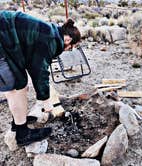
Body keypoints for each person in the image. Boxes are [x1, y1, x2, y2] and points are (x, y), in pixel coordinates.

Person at [0, 10, 81, 146]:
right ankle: (22, 134)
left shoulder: (50, 32)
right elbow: (39, 71)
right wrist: (45, 100)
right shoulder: (50, 39)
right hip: (3, 41)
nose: (68, 50)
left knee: (19, 85)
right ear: (68, 40)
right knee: (17, 87)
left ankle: (18, 122)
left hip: (6, 39)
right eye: (71, 48)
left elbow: (33, 63)